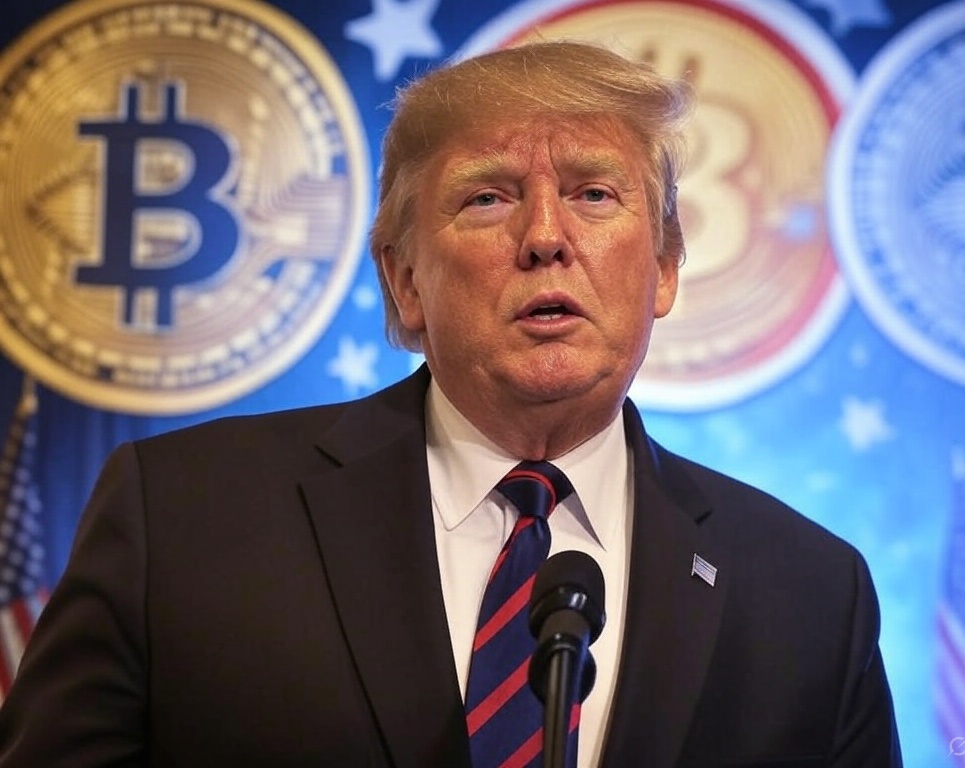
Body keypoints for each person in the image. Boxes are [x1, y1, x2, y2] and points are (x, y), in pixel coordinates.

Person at [0, 40, 901, 767]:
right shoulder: (182, 516)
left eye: (593, 193)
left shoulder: (812, 592)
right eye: (487, 198)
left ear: (663, 267)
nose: (545, 237)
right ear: (404, 282)